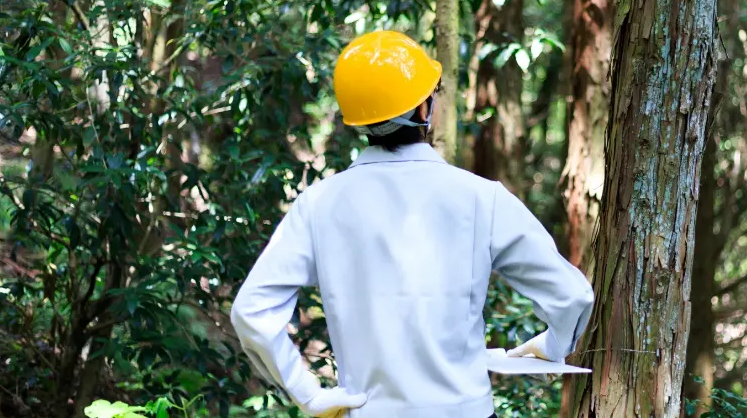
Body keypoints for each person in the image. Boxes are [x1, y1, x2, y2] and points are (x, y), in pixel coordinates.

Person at [230, 30, 594, 418]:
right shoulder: (480, 198)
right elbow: (572, 297)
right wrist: (552, 346)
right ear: (424, 109)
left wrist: (309, 394)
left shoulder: (318, 204)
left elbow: (251, 310)